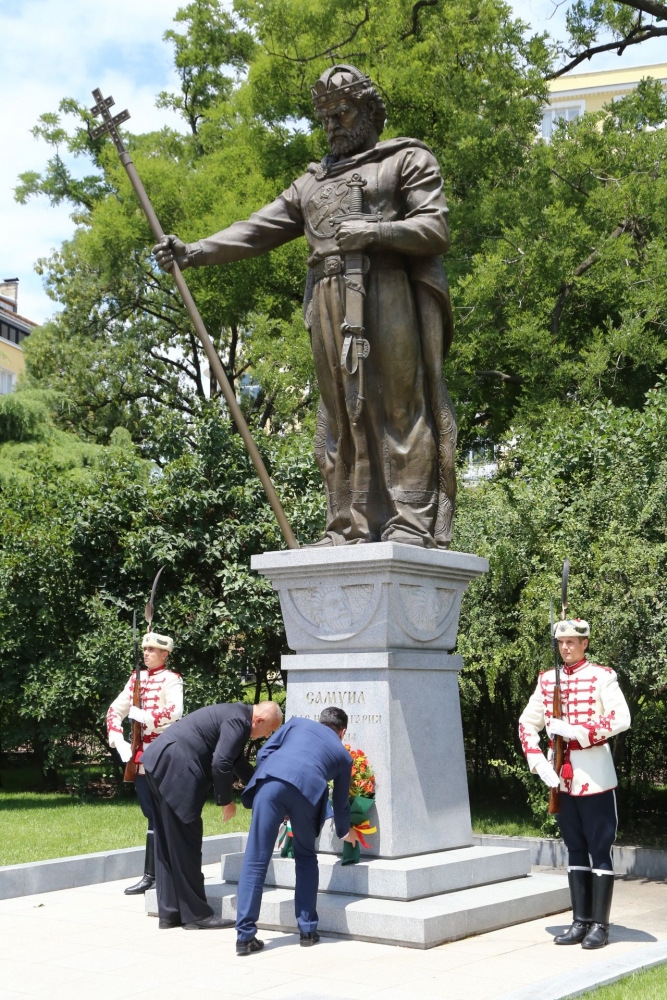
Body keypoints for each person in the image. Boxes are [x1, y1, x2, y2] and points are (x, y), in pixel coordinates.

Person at [152, 64, 457, 550]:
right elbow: (254, 229)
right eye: (326, 116)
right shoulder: (311, 183)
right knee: (342, 415)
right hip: (327, 298)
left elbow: (435, 229)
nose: (333, 123)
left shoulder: (405, 160)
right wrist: (193, 251)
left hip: (388, 287)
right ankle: (347, 525)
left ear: (370, 113)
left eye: (343, 111)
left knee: (401, 405)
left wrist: (375, 232)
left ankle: (409, 521)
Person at [519, 618, 631, 949]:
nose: (565, 647)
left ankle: (600, 925)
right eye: (561, 642)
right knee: (575, 848)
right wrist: (538, 761)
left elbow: (621, 718)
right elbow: (527, 722)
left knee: (600, 849)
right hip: (561, 781)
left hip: (594, 777)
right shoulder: (546, 680)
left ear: (584, 644)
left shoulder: (601, 676)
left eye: (572, 642)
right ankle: (580, 921)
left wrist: (578, 731)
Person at [141, 700, 283, 929]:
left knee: (168, 842)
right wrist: (226, 801)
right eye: (269, 731)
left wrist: (262, 788)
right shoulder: (239, 721)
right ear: (259, 720)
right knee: (186, 841)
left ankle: (170, 913)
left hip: (159, 761)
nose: (265, 736)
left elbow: (236, 760)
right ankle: (197, 915)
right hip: (178, 768)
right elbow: (221, 761)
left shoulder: (235, 714)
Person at [234, 706, 358, 956]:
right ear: (342, 732)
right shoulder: (344, 758)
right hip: (307, 796)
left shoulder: (296, 723)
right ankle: (308, 931)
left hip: (270, 785)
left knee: (256, 858)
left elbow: (263, 754)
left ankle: (245, 937)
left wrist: (276, 778)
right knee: (305, 857)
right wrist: (346, 832)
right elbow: (342, 802)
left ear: (319, 721)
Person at [106, 630, 183, 895]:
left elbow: (175, 710)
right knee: (151, 815)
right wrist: (117, 737)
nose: (146, 653)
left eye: (152, 650)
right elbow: (115, 710)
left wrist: (146, 716)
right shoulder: (135, 679)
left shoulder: (171, 679)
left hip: (164, 754)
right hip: (140, 757)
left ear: (165, 654)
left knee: (165, 814)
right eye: (145, 650)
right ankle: (151, 874)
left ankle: (165, 871)